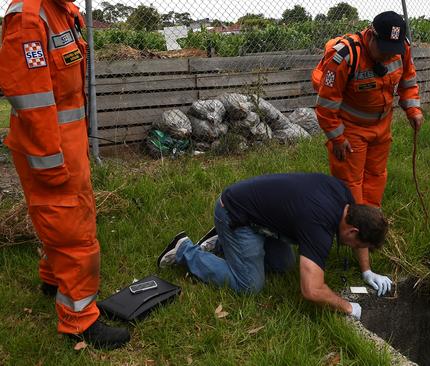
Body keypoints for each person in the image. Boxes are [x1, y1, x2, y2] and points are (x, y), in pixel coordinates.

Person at [0, 0, 130, 349]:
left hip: (67, 146)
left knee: (65, 218)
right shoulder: (28, 18)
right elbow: (30, 96)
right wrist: (50, 160)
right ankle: (79, 320)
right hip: (50, 150)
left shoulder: (63, 11)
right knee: (73, 230)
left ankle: (53, 280)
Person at [157, 173, 392, 319]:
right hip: (234, 213)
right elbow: (311, 290)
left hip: (260, 216)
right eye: (357, 244)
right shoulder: (317, 227)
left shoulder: (346, 200)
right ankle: (185, 250)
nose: (354, 247)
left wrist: (366, 271)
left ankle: (222, 241)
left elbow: (360, 235)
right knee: (249, 286)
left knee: (283, 265)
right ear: (353, 231)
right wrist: (348, 308)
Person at [313, 10, 424, 208]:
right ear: (371, 36)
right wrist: (337, 139)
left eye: (392, 50)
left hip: (382, 126)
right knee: (350, 182)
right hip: (351, 129)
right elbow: (326, 104)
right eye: (383, 50)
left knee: (376, 175)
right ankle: (353, 229)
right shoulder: (345, 56)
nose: (388, 55)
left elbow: (408, 81)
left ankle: (371, 223)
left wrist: (413, 110)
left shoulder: (402, 49)